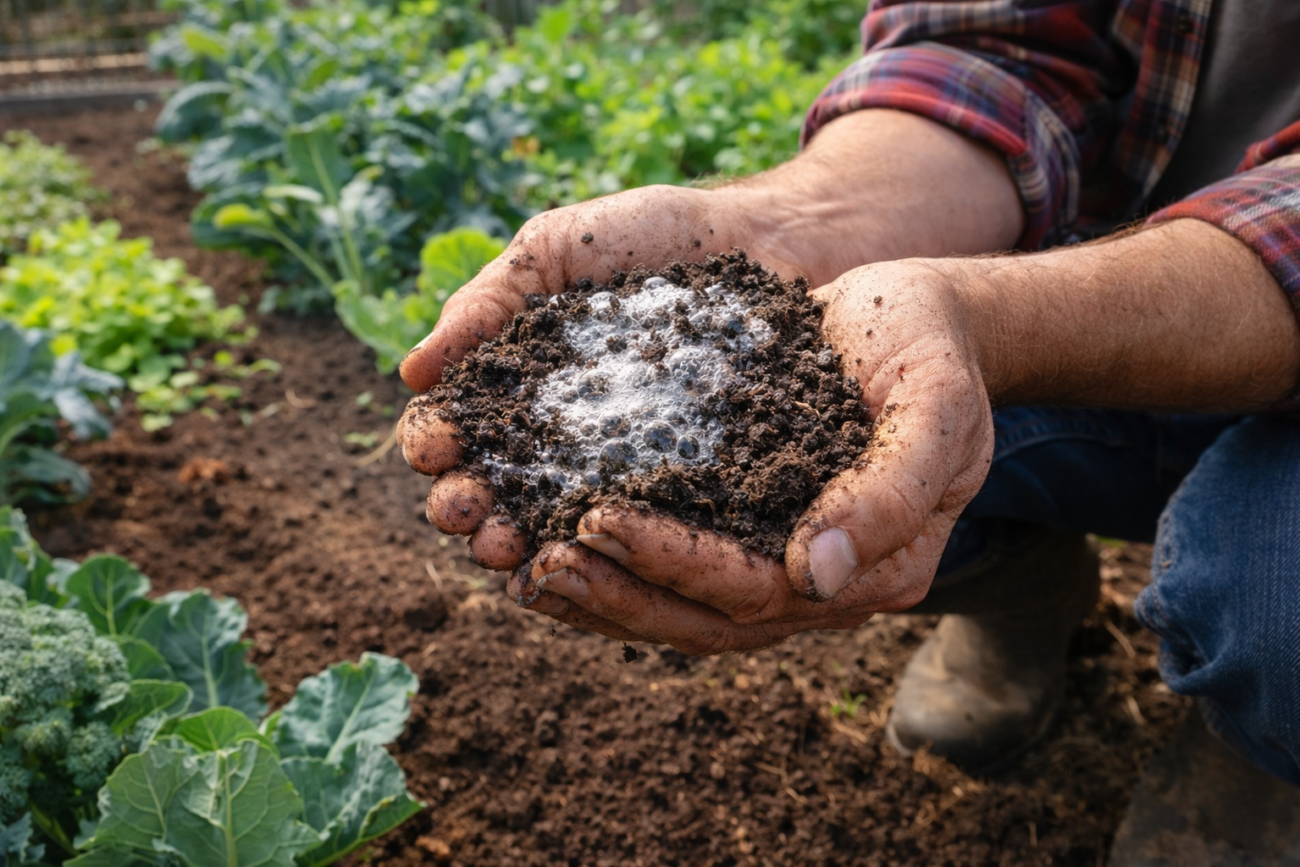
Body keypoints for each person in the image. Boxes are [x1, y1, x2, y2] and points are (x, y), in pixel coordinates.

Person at [398, 1, 1300, 862]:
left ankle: (1260, 741)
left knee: (1276, 612)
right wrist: (789, 226)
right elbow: (990, 51)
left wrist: (989, 316)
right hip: (1101, 263)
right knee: (883, 435)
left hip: (1230, 316)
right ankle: (1026, 598)